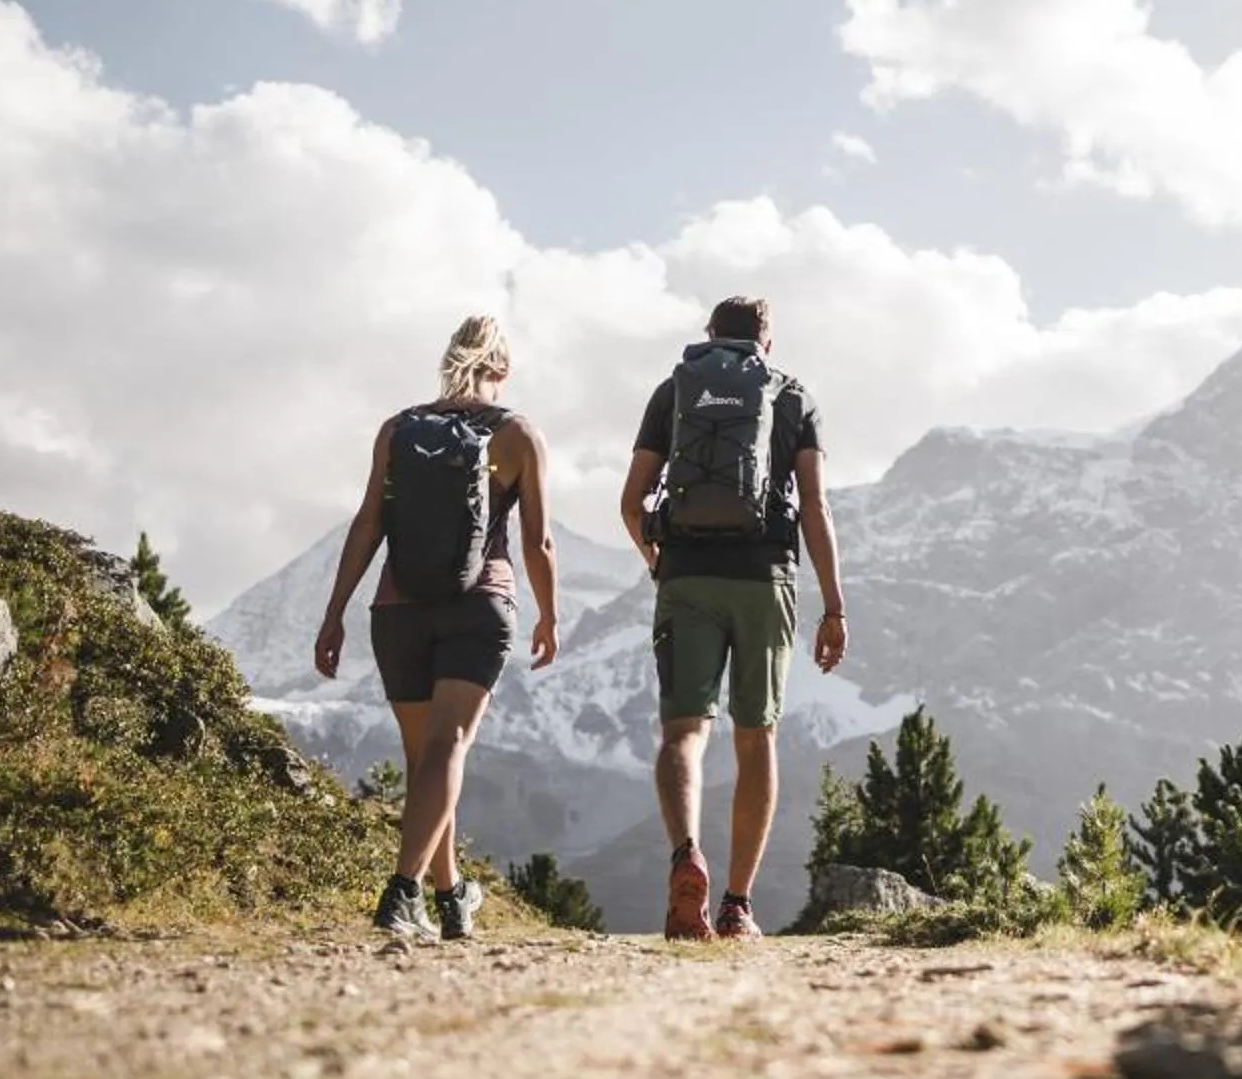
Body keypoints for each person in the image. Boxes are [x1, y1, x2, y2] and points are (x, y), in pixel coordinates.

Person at [314, 315, 560, 940]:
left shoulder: (397, 430)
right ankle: (402, 893)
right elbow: (539, 541)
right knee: (448, 749)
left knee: (427, 758)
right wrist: (550, 614)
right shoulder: (515, 434)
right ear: (501, 370)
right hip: (479, 603)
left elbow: (369, 522)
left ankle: (449, 898)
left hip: (396, 609)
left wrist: (335, 610)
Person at [619, 294, 846, 940]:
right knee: (756, 737)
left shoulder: (676, 392)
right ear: (766, 342)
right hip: (765, 576)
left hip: (687, 573)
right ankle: (737, 906)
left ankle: (685, 855)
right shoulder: (793, 397)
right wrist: (833, 606)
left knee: (684, 733)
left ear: (710, 335)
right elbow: (815, 509)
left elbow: (631, 501)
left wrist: (656, 559)